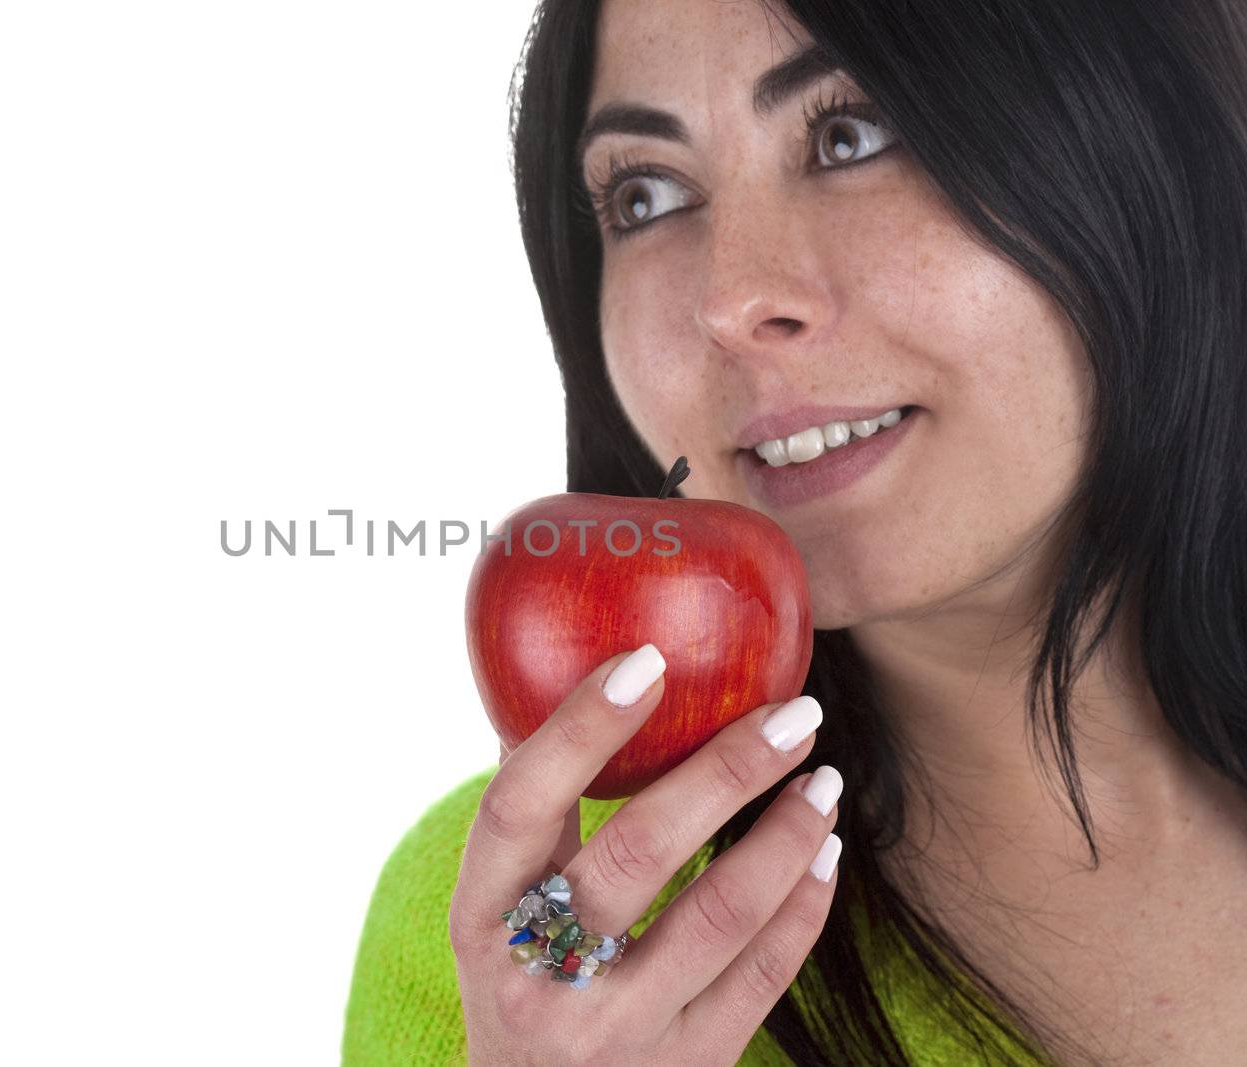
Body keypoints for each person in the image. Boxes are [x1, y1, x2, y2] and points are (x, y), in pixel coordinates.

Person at [344, 0, 1247, 1062]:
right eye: (646, 195)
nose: (730, 298)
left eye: (849, 135)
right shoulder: (533, 945)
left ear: (1146, 148)